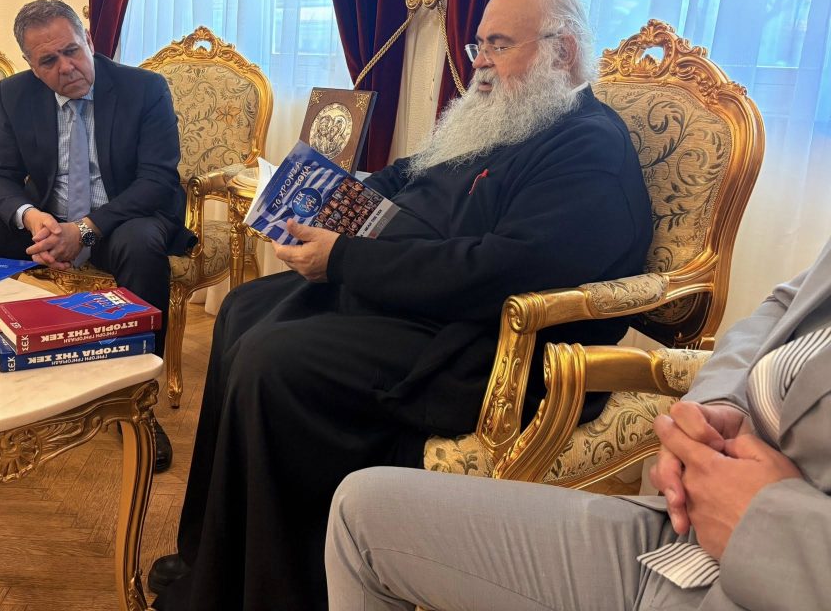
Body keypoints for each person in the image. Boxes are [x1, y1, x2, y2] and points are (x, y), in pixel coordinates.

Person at [148, 0, 654, 611]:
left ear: (565, 52)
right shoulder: (507, 114)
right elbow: (411, 175)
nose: (481, 64)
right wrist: (337, 197)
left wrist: (343, 260)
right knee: (242, 312)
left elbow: (500, 272)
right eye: (477, 46)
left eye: (499, 45)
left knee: (273, 362)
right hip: (414, 298)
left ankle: (287, 590)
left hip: (482, 342)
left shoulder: (586, 147)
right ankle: (217, 556)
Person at [325, 236, 831, 611]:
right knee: (359, 508)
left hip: (780, 575)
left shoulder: (589, 154)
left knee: (303, 369)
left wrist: (771, 528)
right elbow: (783, 305)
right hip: (682, 536)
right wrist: (719, 402)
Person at [0, 0, 194, 471]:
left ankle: (137, 404)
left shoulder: (144, 88)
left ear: (89, 39)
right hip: (47, 217)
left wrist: (84, 229)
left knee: (142, 248)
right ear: (30, 63)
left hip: (123, 217)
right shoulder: (16, 93)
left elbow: (157, 180)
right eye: (48, 60)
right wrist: (30, 216)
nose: (66, 67)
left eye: (72, 51)